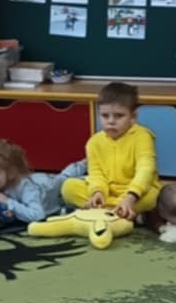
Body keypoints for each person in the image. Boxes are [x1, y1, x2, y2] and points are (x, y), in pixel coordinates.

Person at [62, 82, 160, 221]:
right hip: (108, 192)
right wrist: (97, 192)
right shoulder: (94, 142)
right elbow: (96, 173)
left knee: (155, 196)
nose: (111, 121)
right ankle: (121, 213)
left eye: (119, 116)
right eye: (105, 116)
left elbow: (146, 170)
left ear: (133, 117)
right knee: (68, 187)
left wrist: (131, 196)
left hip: (135, 192)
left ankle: (102, 211)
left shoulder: (143, 137)